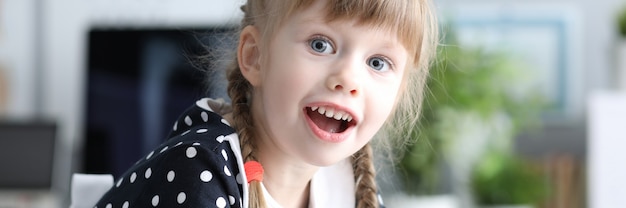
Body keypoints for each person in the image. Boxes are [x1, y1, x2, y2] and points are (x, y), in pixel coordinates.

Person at [93, 0, 438, 207]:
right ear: (255, 57)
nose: (348, 79)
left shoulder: (350, 185)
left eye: (378, 63)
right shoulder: (199, 170)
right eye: (320, 45)